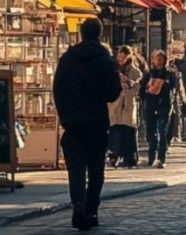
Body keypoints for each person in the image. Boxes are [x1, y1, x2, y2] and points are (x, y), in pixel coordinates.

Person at [53, 18, 121, 231]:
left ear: (81, 33)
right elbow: (112, 93)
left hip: (73, 123)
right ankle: (91, 209)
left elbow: (58, 89)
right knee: (96, 169)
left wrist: (64, 114)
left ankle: (78, 203)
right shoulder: (105, 60)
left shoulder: (67, 59)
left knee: (76, 168)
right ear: (99, 34)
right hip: (96, 122)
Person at [140, 50, 179, 168]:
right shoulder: (149, 74)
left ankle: (161, 158)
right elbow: (142, 91)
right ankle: (152, 156)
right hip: (151, 105)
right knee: (151, 131)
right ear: (153, 60)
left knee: (162, 131)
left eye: (161, 59)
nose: (159, 61)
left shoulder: (170, 74)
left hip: (164, 105)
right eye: (157, 59)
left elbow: (173, 88)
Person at [107, 45, 142, 168]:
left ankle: (130, 158)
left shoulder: (135, 71)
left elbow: (138, 87)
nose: (121, 59)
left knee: (128, 131)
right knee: (115, 131)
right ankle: (115, 156)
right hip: (116, 104)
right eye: (119, 56)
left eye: (123, 57)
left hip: (128, 103)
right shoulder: (114, 69)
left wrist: (128, 82)